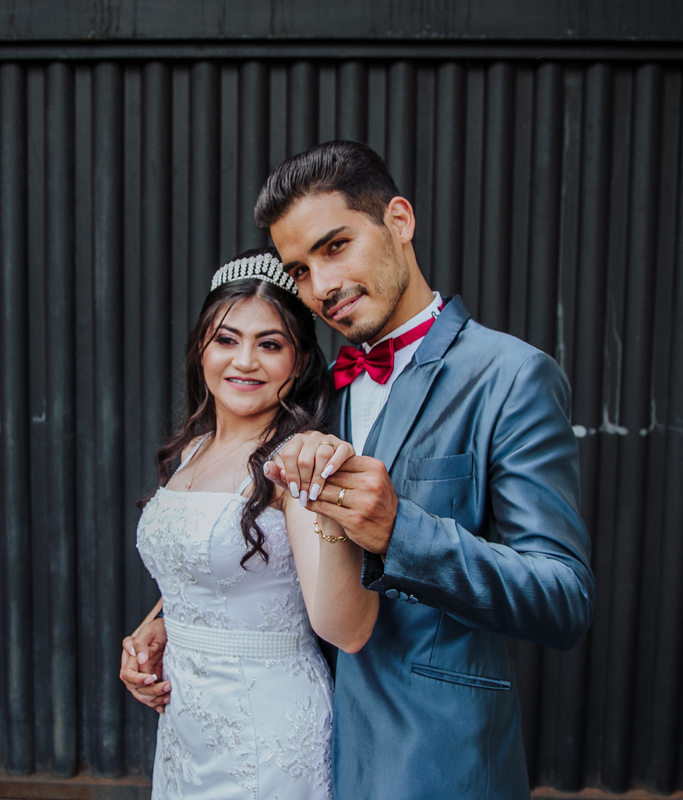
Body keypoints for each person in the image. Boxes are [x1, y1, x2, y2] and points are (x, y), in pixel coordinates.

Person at [123, 142, 594, 799]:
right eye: (301, 269)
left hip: (433, 759)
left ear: (399, 220)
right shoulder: (313, 394)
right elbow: (260, 542)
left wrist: (401, 531)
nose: (322, 287)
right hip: (303, 745)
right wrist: (170, 616)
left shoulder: (509, 377)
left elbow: (564, 599)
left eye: (336, 246)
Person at [126, 248, 377, 799]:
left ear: (300, 360)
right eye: (226, 339)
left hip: (267, 734)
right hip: (186, 728)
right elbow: (207, 565)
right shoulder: (191, 451)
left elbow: (349, 630)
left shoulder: (295, 463)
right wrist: (155, 625)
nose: (244, 361)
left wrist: (324, 502)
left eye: (269, 344)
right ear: (201, 347)